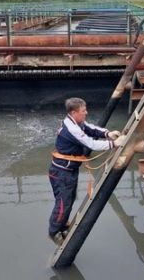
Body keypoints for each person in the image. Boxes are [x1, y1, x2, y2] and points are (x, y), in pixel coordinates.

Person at [48, 97, 125, 244]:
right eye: (83, 111)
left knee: (69, 200)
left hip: (68, 170)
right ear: (74, 112)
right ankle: (53, 232)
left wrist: (107, 134)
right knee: (63, 202)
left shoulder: (76, 122)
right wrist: (114, 143)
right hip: (61, 172)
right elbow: (90, 143)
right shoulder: (72, 129)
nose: (86, 113)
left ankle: (62, 226)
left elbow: (91, 129)